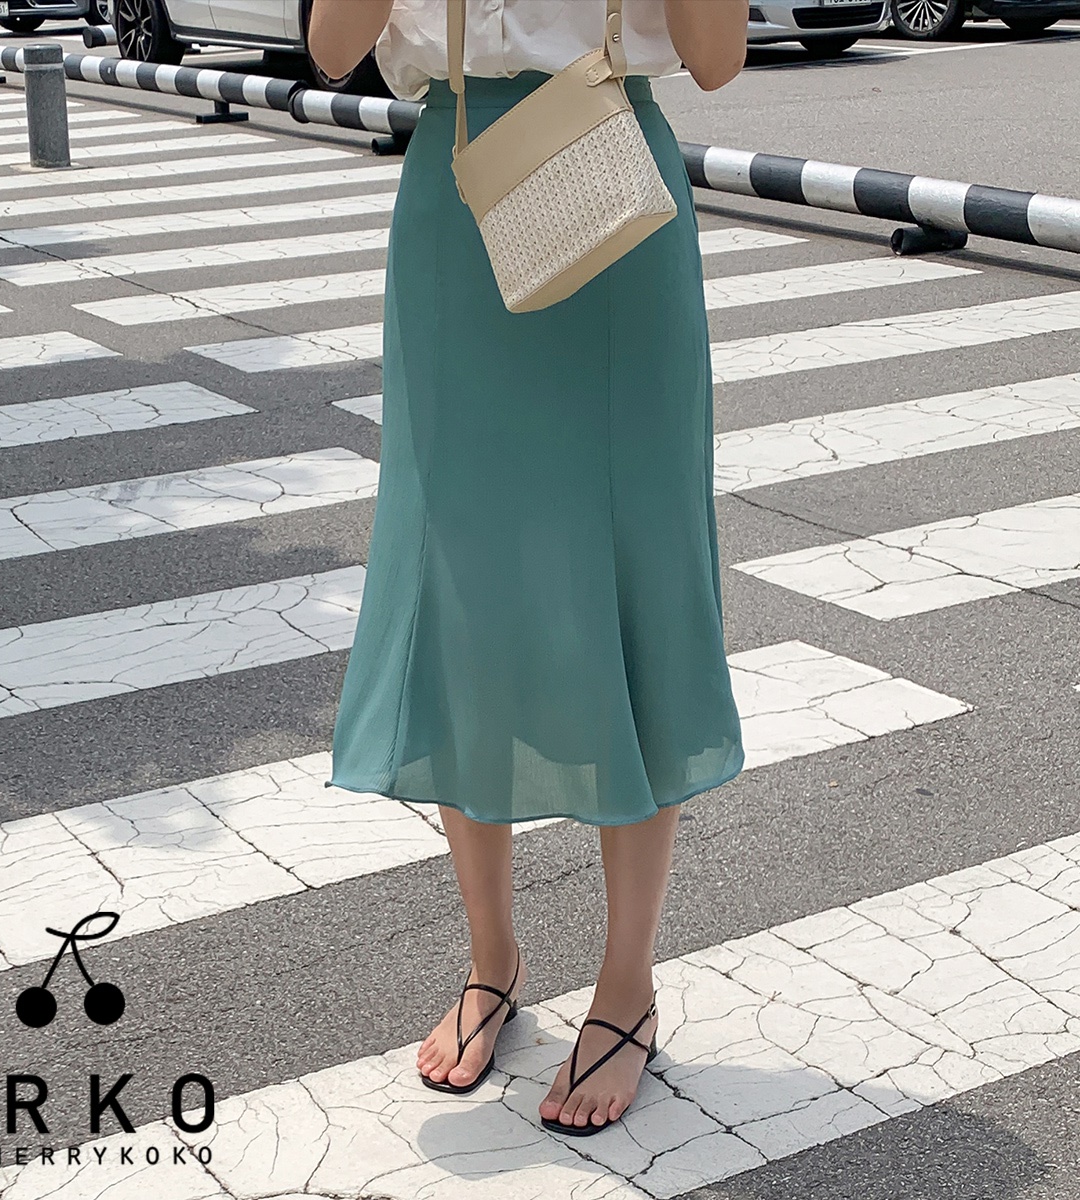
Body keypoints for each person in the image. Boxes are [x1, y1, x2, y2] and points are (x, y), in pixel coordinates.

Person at [310, 0, 748, 1136]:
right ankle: (491, 959)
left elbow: (717, 58)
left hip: (613, 178)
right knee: (466, 587)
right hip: (457, 187)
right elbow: (330, 46)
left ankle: (626, 982)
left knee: (633, 570)